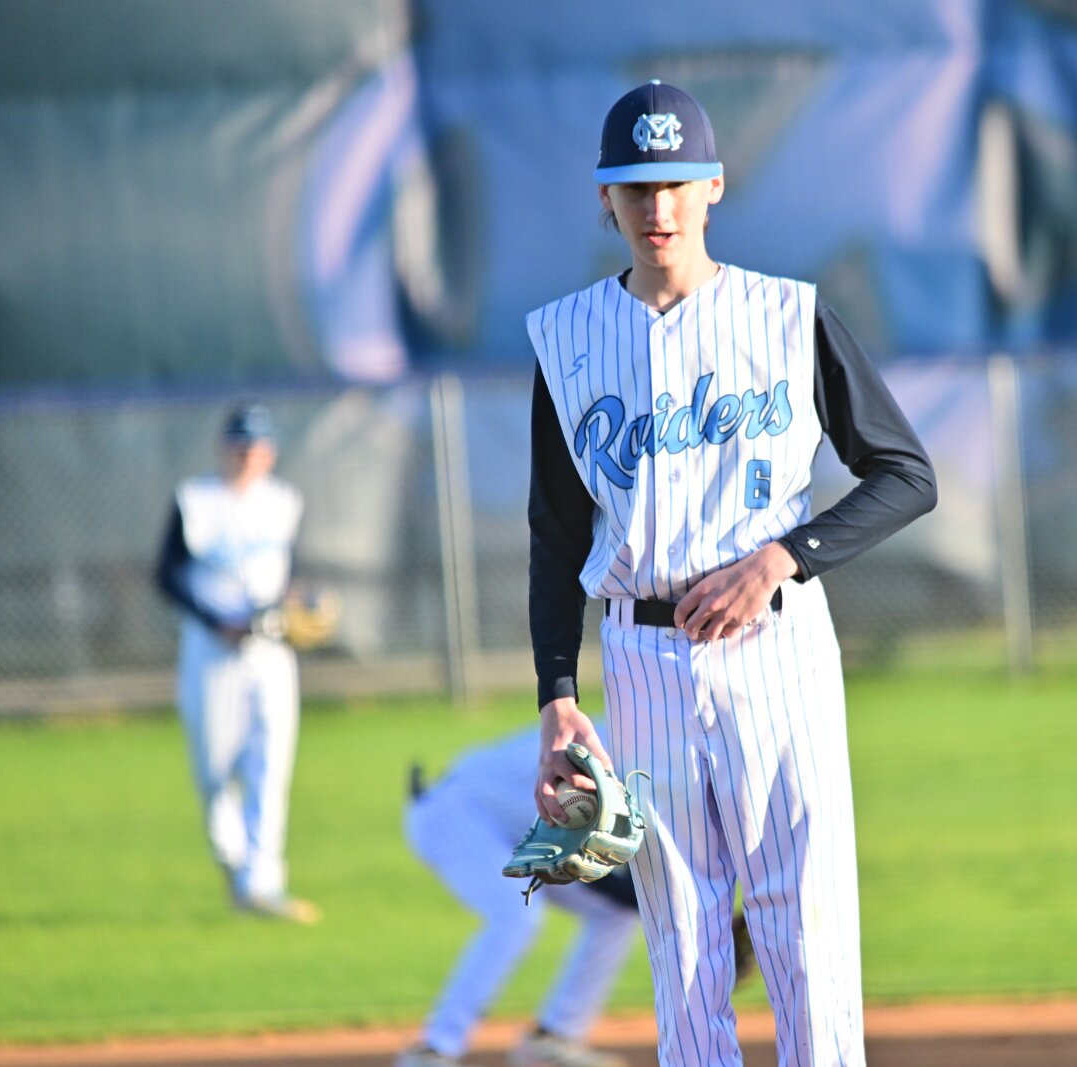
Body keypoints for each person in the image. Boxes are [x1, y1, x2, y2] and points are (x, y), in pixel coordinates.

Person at [526, 82, 937, 1066]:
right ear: (605, 197)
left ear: (713, 185)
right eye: (636, 185)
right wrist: (557, 693)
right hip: (642, 660)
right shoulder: (567, 341)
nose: (657, 206)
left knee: (807, 929)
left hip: (777, 648)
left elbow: (905, 474)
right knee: (684, 942)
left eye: (675, 182)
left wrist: (784, 556)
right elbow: (555, 535)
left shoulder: (789, 317)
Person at [394, 721, 645, 1067]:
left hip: (516, 826)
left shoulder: (641, 747)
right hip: (456, 813)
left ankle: (555, 1037)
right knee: (516, 916)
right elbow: (585, 862)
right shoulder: (611, 749)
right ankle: (434, 1049)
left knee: (616, 914)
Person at [154, 404, 319, 924]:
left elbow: (288, 569)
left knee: (271, 765)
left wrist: (302, 603)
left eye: (257, 446)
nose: (248, 455)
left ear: (270, 452)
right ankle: (233, 864)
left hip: (270, 651)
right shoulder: (196, 500)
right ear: (223, 448)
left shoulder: (283, 501)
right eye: (241, 445)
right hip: (212, 654)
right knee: (214, 772)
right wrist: (213, 620)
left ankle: (262, 883)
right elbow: (167, 574)